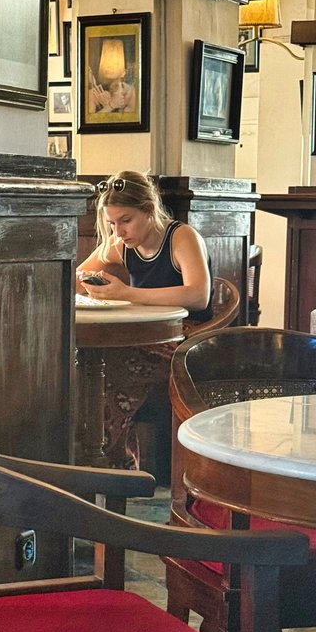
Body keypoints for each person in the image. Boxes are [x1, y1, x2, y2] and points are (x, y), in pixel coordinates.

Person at [76, 170, 213, 469]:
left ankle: (110, 467)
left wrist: (126, 294)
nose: (119, 232)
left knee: (106, 379)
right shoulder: (121, 244)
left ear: (149, 210)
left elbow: (198, 295)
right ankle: (118, 467)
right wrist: (93, 284)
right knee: (85, 372)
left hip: (186, 340)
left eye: (126, 220)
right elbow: (78, 276)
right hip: (143, 336)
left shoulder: (181, 237)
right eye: (112, 224)